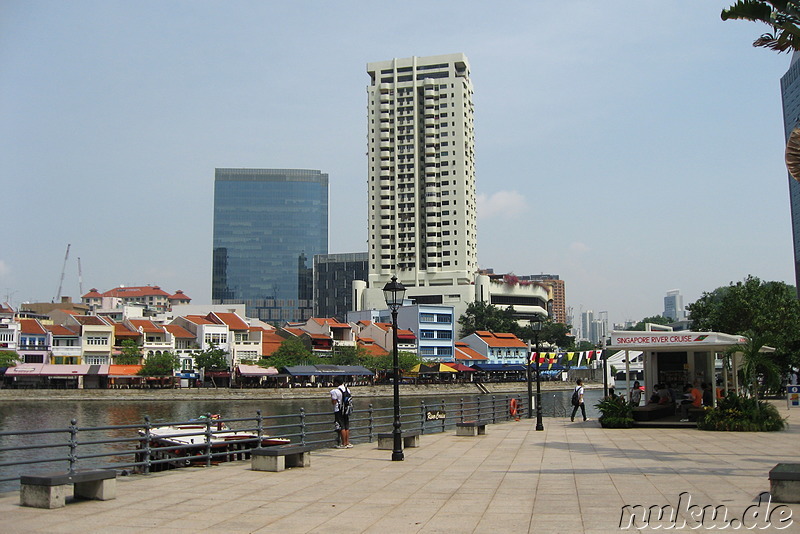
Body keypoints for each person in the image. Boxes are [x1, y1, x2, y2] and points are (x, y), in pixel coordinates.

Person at [330, 376, 352, 448]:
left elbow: (333, 402)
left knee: (341, 426)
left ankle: (343, 443)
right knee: (346, 426)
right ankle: (347, 442)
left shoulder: (334, 391)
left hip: (338, 410)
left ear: (336, 382)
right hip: (346, 410)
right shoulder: (347, 389)